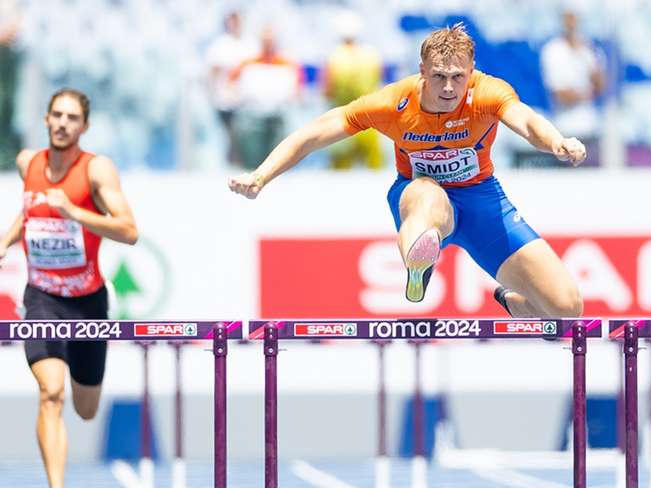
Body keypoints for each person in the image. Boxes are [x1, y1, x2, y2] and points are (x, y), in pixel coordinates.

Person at [229, 24, 584, 317]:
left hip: (483, 202)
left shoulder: (489, 92)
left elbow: (526, 120)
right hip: (422, 198)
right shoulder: (393, 103)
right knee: (428, 194)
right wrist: (261, 174)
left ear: (471, 72)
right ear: (422, 72)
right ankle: (418, 260)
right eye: (439, 77)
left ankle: (511, 302)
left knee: (568, 310)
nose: (448, 88)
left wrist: (556, 141)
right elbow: (313, 133)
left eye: (457, 77)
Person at [0, 88, 138, 488]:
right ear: (45, 119)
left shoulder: (96, 170)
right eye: (56, 115)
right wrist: (4, 243)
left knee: (85, 407)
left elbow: (129, 230)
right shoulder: (28, 163)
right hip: (41, 298)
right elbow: (30, 213)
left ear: (84, 126)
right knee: (50, 393)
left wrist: (76, 213)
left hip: (88, 302)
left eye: (72, 117)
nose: (62, 123)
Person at [229, 25, 302, 169]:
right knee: (252, 162)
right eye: (265, 41)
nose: (268, 45)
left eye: (271, 41)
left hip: (278, 118)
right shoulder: (248, 63)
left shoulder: (287, 64)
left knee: (278, 162)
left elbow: (298, 90)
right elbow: (230, 85)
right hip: (252, 119)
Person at [539, 9, 605, 158]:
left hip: (591, 127)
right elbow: (561, 95)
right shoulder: (552, 50)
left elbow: (601, 85)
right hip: (565, 129)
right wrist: (587, 93)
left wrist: (587, 56)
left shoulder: (589, 49)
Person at [322, 10, 384, 169]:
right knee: (375, 173)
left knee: (340, 175)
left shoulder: (334, 57)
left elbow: (328, 91)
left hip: (341, 122)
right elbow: (378, 83)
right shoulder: (372, 55)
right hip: (370, 120)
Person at [205, 10, 257, 166]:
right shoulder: (221, 45)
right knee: (230, 137)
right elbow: (212, 73)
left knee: (244, 138)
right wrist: (213, 96)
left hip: (246, 101)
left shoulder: (249, 43)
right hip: (225, 101)